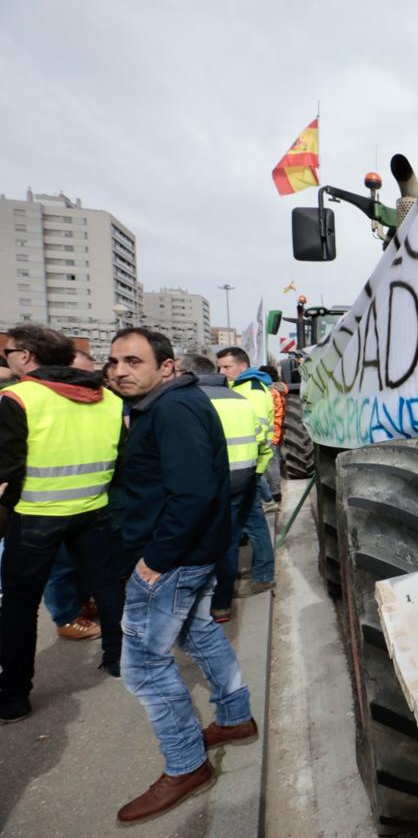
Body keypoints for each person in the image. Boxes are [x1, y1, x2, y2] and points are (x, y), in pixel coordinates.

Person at [107, 327, 257, 823]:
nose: (120, 371)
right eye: (114, 362)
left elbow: (191, 494)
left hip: (171, 559)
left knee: (144, 666)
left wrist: (154, 561)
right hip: (189, 553)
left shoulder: (172, 409)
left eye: (133, 361)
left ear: (166, 366)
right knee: (200, 636)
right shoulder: (169, 404)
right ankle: (235, 721)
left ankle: (187, 765)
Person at [0, 324, 126, 724]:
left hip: (37, 516)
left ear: (26, 356)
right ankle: (119, 660)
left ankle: (15, 695)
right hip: (94, 510)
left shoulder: (17, 398)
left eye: (8, 352)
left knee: (19, 605)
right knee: (108, 588)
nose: (7, 358)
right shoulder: (106, 397)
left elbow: (7, 468)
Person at [176, 353, 270, 623]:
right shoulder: (239, 399)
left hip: (210, 483)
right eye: (221, 367)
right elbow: (261, 436)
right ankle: (222, 603)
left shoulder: (191, 401)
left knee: (215, 541)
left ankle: (214, 600)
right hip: (244, 476)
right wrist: (256, 468)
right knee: (233, 535)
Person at [42, 348, 106, 641]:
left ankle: (80, 603)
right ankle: (66, 617)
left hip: (87, 502)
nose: (87, 379)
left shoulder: (92, 402)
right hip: (47, 503)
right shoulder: (40, 401)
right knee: (60, 567)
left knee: (78, 563)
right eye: (80, 372)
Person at [215, 347, 275, 595]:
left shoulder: (250, 391)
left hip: (246, 469)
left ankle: (263, 575)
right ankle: (262, 571)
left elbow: (258, 433)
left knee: (252, 523)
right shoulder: (240, 388)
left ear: (241, 366)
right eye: (219, 367)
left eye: (226, 367)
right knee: (252, 522)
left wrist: (253, 467)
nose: (221, 372)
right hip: (245, 468)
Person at [258, 364, 284, 510]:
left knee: (271, 463)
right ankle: (275, 492)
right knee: (273, 462)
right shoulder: (276, 390)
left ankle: (274, 494)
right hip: (276, 431)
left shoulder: (270, 392)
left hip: (271, 432)